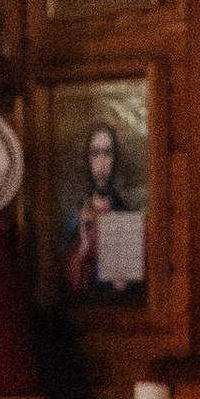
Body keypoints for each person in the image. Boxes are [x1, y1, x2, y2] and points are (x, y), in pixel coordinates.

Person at [61, 116, 137, 295]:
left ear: (115, 158)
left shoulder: (122, 213)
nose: (101, 162)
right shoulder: (75, 216)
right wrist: (84, 245)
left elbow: (121, 286)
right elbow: (66, 279)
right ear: (87, 158)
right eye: (95, 153)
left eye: (107, 153)